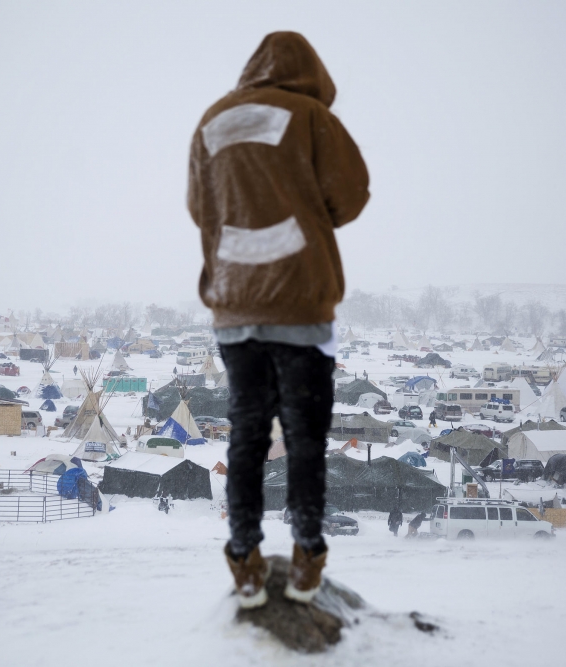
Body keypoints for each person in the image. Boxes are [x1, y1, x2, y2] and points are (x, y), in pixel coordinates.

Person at [188, 32, 369, 609]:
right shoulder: (311, 117)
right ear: (310, 72)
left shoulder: (212, 120)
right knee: (304, 437)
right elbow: (351, 197)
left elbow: (201, 206)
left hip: (234, 305)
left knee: (246, 434)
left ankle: (244, 560)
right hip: (298, 299)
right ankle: (307, 558)